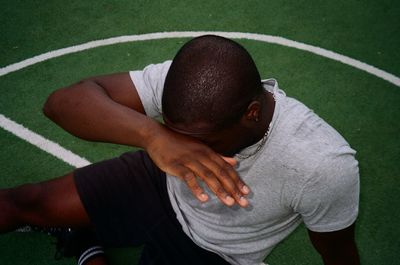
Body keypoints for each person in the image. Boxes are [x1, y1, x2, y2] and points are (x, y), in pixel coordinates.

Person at [0, 35, 360, 265]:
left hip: (216, 249)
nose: (187, 150)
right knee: (27, 202)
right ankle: (87, 235)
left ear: (251, 113)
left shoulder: (321, 164)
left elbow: (339, 255)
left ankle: (87, 247)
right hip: (158, 184)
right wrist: (154, 137)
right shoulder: (189, 81)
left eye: (203, 141)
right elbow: (61, 104)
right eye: (177, 135)